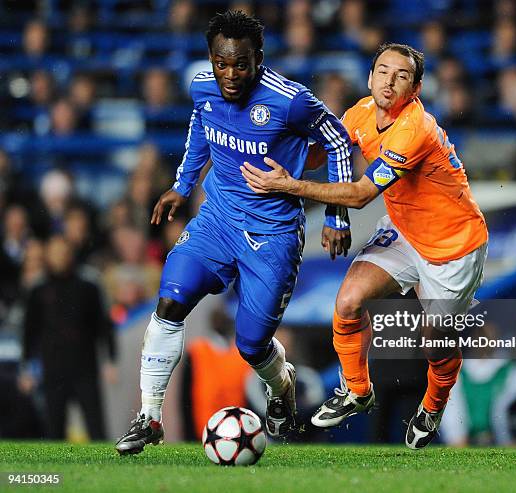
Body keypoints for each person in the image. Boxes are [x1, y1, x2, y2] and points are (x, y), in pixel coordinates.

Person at [115, 10, 353, 455]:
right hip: (218, 219)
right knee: (171, 299)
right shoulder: (202, 87)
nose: (230, 74)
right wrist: (181, 186)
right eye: (222, 63)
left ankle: (280, 386)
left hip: (273, 233)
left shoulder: (291, 101)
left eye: (241, 64)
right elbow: (201, 126)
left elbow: (338, 142)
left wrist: (337, 216)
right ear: (211, 58)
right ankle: (149, 417)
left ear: (258, 58)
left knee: (251, 344)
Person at [242, 42, 488, 449]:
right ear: (371, 76)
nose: (389, 81)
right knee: (349, 301)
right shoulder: (359, 112)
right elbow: (323, 151)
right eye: (382, 71)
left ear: (416, 88)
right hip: (406, 229)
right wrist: (271, 146)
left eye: (402, 75)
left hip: (453, 244)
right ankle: (357, 390)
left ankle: (433, 403)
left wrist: (288, 185)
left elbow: (359, 195)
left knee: (434, 341)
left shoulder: (415, 128)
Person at [20, 236, 116, 440]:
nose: (59, 258)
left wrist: (109, 360)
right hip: (53, 366)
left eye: (63, 253)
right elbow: (30, 331)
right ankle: (56, 469)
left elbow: (103, 325)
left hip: (85, 366)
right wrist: (28, 366)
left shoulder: (88, 287)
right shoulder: (38, 290)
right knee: (54, 426)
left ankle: (106, 466)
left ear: (71, 255)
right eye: (54, 253)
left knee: (95, 425)